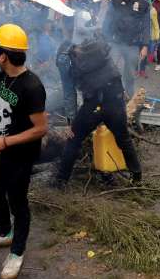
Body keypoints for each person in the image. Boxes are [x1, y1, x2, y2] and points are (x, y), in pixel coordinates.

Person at [0, 24, 47, 279]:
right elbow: (4, 110)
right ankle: (4, 232)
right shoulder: (3, 76)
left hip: (20, 154)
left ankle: (17, 251)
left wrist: (8, 141)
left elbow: (40, 129)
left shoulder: (32, 86)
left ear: (3, 55)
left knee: (18, 200)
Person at [52, 38, 142, 187]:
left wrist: (71, 123)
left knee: (73, 139)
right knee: (123, 137)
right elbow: (113, 71)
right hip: (115, 97)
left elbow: (69, 93)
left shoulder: (63, 60)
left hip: (93, 104)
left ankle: (61, 181)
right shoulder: (94, 48)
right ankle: (137, 176)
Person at [102, 0, 150, 97]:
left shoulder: (143, 3)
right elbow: (108, 19)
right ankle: (112, 95)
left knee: (130, 73)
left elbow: (146, 26)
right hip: (116, 42)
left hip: (133, 44)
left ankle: (129, 96)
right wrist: (105, 38)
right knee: (111, 70)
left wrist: (145, 45)